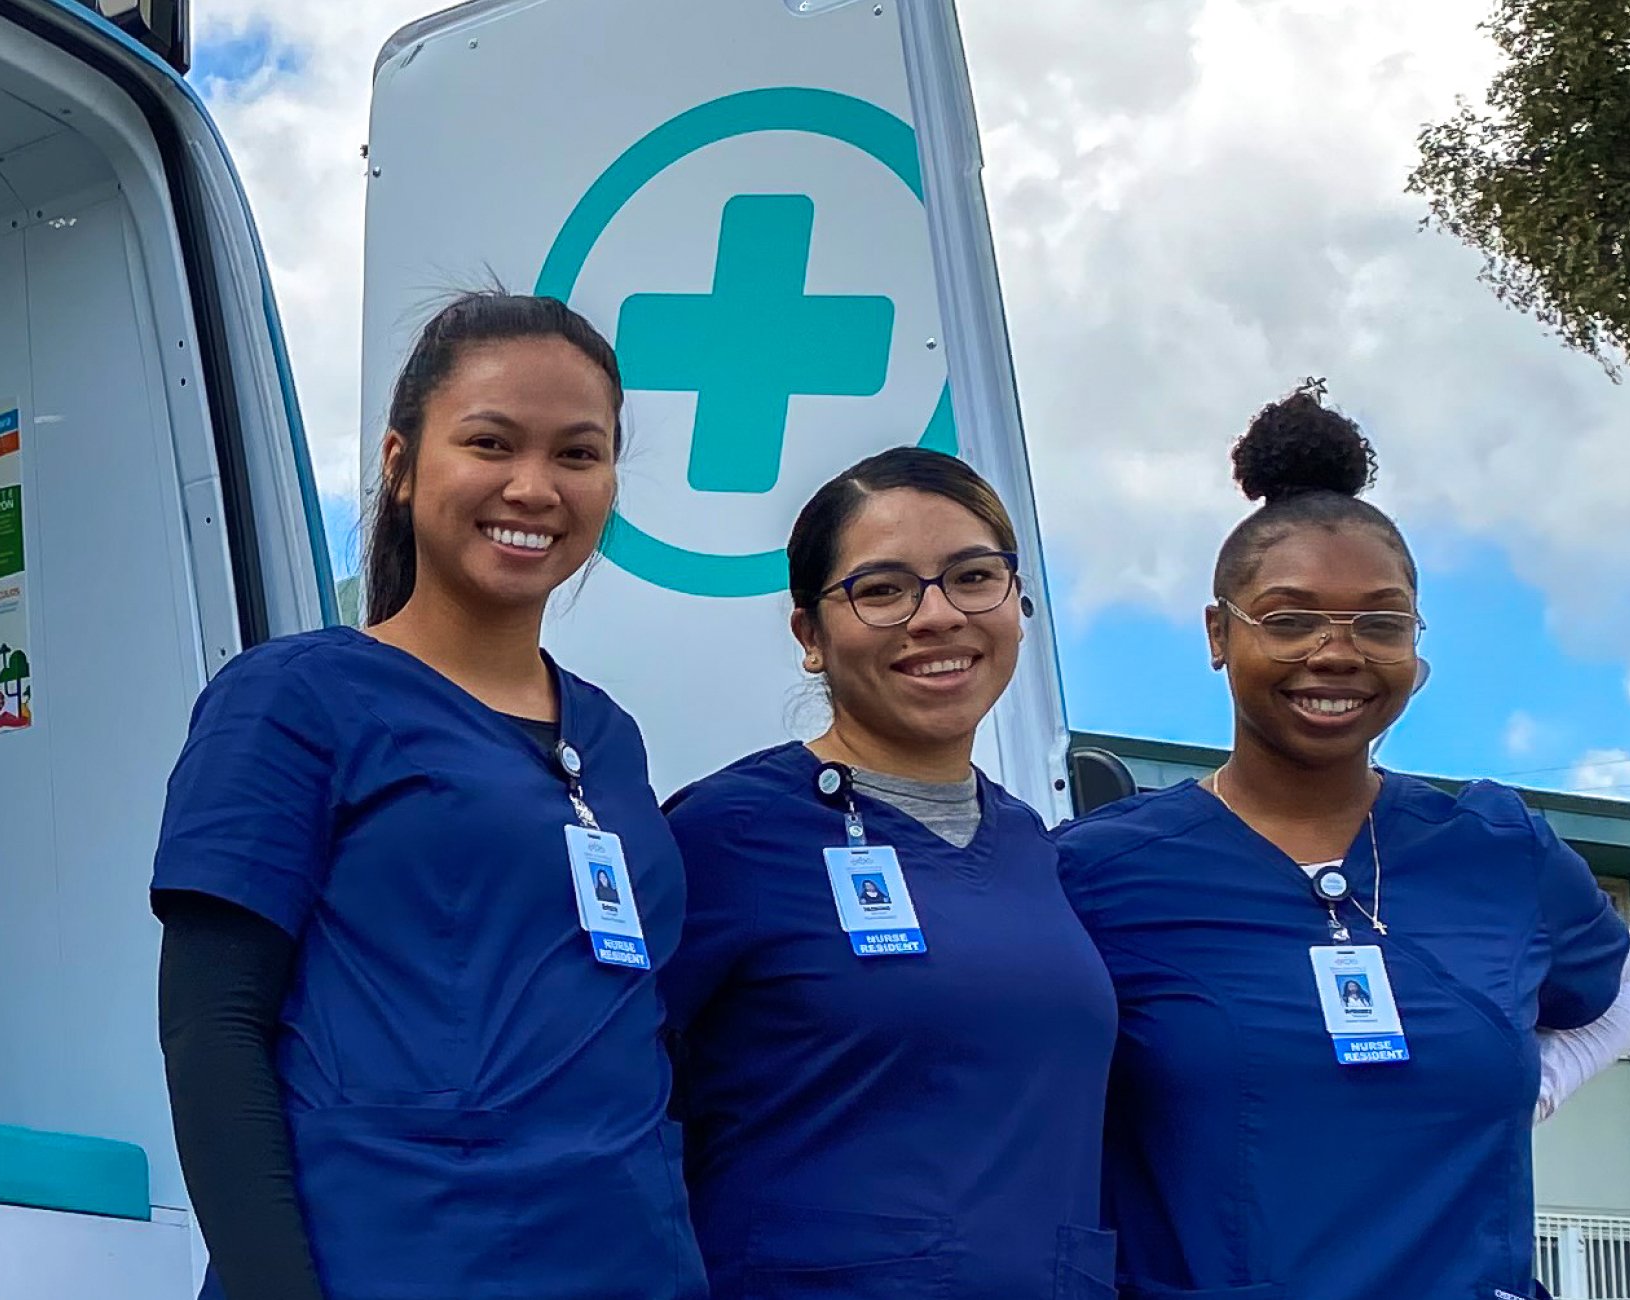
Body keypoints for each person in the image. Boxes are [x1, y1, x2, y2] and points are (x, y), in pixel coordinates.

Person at [152, 292, 703, 1300]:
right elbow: (211, 1029)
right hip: (396, 1259)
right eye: (490, 442)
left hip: (628, 1262)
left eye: (577, 455)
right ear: (402, 464)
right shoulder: (295, 697)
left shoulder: (609, 738)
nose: (532, 486)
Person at [1057, 385, 1630, 1298]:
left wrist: (1522, 1084)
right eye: (1289, 619)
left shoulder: (1500, 854)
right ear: (1219, 634)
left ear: (1415, 643)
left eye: (1381, 622)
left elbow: (1624, 991)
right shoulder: (1098, 874)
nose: (1337, 653)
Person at [656, 448, 1117, 1298]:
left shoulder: (1040, 854)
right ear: (809, 636)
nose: (937, 616)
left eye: (973, 577)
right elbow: (618, 1106)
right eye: (882, 589)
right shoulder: (728, 835)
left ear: (1020, 604)